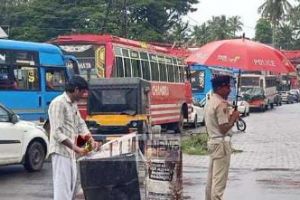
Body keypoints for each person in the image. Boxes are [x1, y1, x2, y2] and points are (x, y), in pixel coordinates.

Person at [48, 75, 99, 200]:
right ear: (76, 90)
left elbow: (80, 124)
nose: (83, 95)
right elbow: (56, 133)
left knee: (72, 191)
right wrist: (76, 148)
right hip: (61, 153)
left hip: (71, 154)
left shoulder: (73, 104)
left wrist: (90, 140)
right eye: (82, 92)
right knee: (62, 191)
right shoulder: (58, 103)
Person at [204, 75, 240, 200]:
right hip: (221, 145)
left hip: (213, 143)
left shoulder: (211, 101)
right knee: (219, 183)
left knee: (211, 181)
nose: (230, 90)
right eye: (227, 86)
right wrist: (234, 118)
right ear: (220, 88)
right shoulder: (221, 104)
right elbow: (223, 128)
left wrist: (230, 117)